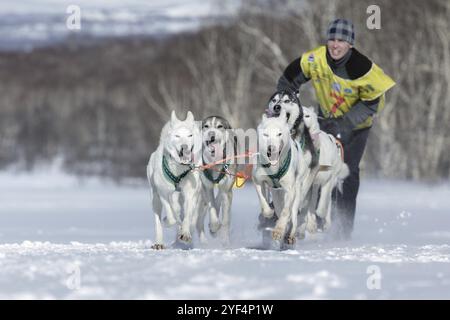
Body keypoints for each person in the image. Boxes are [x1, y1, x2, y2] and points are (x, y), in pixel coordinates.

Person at [277, 19, 395, 239]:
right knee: (309, 166)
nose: (335, 44)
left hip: (357, 126)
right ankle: (297, 220)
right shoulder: (316, 59)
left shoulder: (362, 67)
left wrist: (347, 124)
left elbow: (373, 102)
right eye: (331, 39)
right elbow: (288, 80)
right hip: (326, 120)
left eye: (341, 40)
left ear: (350, 44)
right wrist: (284, 105)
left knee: (346, 172)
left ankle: (342, 230)